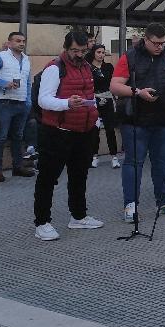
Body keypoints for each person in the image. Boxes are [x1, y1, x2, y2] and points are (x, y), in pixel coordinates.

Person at [110, 23, 165, 222]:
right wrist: (138, 92)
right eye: (155, 43)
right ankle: (130, 205)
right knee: (134, 163)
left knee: (163, 162)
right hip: (136, 119)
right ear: (145, 39)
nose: (159, 47)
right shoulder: (129, 57)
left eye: (163, 43)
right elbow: (115, 85)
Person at [32, 32, 104, 241]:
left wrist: (95, 118)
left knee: (79, 175)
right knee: (48, 178)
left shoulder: (86, 66)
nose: (79, 55)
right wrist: (66, 104)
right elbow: (43, 100)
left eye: (83, 51)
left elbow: (88, 95)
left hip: (83, 130)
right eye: (75, 51)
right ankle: (42, 222)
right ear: (65, 48)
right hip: (57, 132)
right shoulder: (55, 68)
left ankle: (78, 216)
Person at [0, 32, 36, 182]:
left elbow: (27, 80)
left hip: (21, 102)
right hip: (4, 102)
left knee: (18, 136)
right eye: (18, 41)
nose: (21, 43)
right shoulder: (0, 56)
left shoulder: (26, 59)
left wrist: (28, 101)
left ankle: (17, 166)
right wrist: (3, 83)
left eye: (23, 41)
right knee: (1, 137)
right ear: (10, 42)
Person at [86, 44, 121, 169]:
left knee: (110, 128)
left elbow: (113, 83)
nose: (101, 55)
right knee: (94, 129)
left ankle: (114, 157)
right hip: (94, 100)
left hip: (108, 99)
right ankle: (94, 156)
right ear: (93, 53)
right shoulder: (88, 67)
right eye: (98, 52)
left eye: (103, 52)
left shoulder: (108, 67)